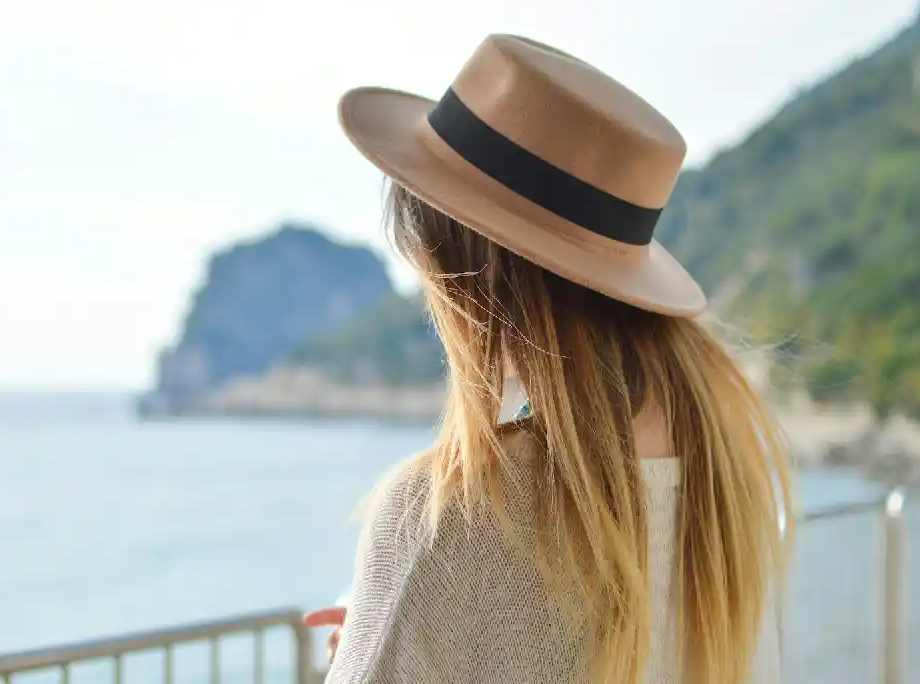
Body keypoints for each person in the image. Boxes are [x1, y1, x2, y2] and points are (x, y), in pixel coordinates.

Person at [304, 34, 794, 683]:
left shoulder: (445, 516)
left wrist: (380, 638)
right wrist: (400, 627)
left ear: (467, 275)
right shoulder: (728, 476)